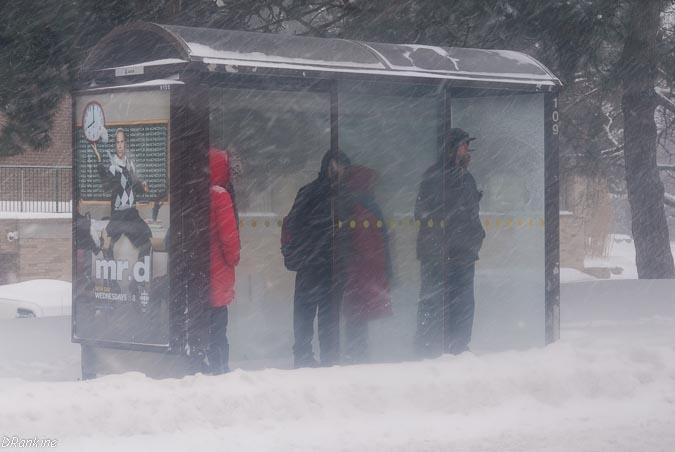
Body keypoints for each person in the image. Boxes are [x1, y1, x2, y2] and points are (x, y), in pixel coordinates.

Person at [414, 128, 485, 356]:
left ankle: (457, 349)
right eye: (465, 146)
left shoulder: (465, 178)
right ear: (454, 148)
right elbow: (423, 213)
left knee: (460, 304)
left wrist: (475, 237)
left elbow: (470, 216)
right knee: (435, 303)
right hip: (442, 254)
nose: (468, 152)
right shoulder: (438, 177)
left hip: (460, 254)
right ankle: (431, 350)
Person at [282, 150, 351, 368]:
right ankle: (323, 357)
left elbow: (292, 226)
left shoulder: (326, 194)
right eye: (342, 167)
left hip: (316, 265)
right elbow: (292, 226)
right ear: (331, 166)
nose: (344, 172)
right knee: (324, 316)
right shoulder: (323, 195)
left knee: (307, 314)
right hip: (318, 265)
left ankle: (305, 357)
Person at [340, 165, 393, 363]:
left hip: (359, 270)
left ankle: (357, 351)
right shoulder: (364, 206)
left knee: (356, 315)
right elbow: (372, 242)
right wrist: (385, 267)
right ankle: (358, 353)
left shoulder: (353, 204)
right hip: (365, 270)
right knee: (359, 315)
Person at [208, 148, 241, 374]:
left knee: (203, 327)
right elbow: (230, 242)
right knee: (219, 329)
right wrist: (234, 258)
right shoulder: (220, 196)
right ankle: (220, 369)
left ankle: (202, 365)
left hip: (198, 278)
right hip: (217, 278)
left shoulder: (195, 194)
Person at [97, 128, 152, 259]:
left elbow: (134, 186)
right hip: (118, 215)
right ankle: (111, 279)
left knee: (147, 242)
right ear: (115, 145)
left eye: (122, 142)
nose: (120, 145)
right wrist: (100, 165)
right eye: (117, 142)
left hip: (132, 214)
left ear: (125, 143)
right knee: (107, 244)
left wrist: (143, 186)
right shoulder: (111, 165)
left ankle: (138, 279)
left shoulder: (131, 164)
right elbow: (105, 186)